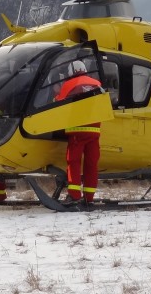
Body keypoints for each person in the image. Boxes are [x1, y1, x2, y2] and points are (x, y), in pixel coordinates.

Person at [54, 59, 103, 208]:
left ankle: (74, 195)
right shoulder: (97, 84)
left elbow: (57, 102)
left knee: (74, 162)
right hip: (95, 131)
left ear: (71, 72)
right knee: (91, 164)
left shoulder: (69, 85)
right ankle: (89, 197)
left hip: (77, 131)